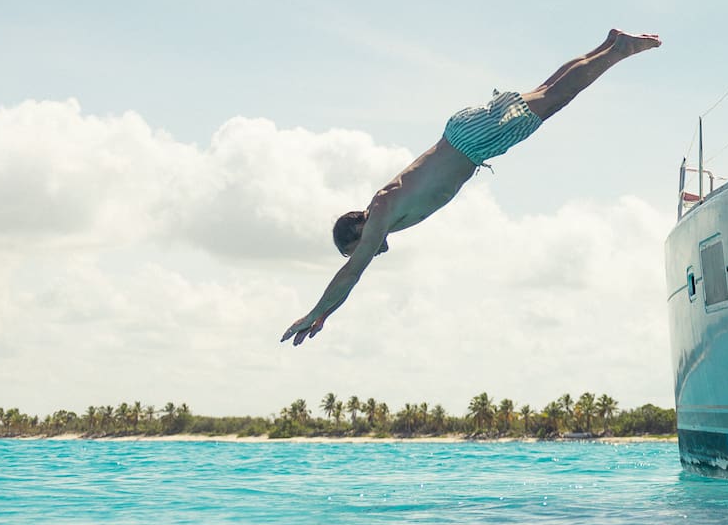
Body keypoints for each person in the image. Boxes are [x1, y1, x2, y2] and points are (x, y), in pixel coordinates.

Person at [280, 28, 663, 346]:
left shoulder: (380, 213)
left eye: (356, 247)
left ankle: (620, 51)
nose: (367, 252)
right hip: (463, 133)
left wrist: (319, 312)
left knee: (556, 97)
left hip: (472, 144)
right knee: (547, 91)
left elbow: (353, 274)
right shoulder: (385, 207)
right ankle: (608, 44)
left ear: (357, 229)